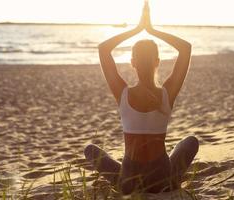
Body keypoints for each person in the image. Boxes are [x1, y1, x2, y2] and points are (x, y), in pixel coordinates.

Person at [84, 2, 199, 194]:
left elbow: (104, 49)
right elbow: (185, 48)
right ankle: (173, 179)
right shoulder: (166, 93)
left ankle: (122, 181)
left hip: (130, 181)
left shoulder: (122, 93)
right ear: (157, 62)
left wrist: (137, 28)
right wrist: (152, 30)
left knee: (90, 149)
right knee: (191, 141)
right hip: (162, 179)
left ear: (132, 63)